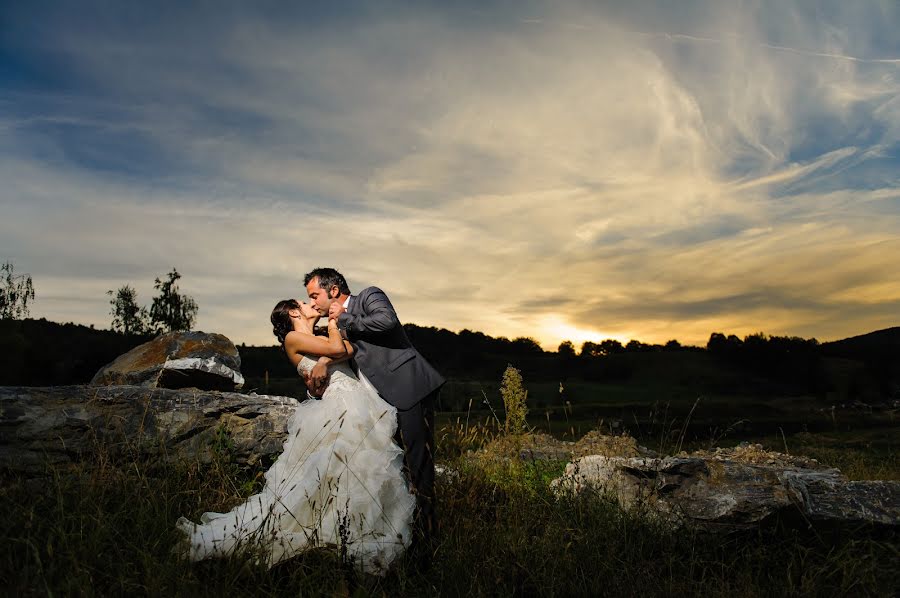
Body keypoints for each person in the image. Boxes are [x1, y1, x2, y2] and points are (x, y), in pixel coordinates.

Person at [176, 299, 416, 575]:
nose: (312, 303)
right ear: (293, 312)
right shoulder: (293, 338)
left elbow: (351, 349)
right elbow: (341, 347)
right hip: (341, 409)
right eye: (304, 302)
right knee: (335, 472)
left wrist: (325, 360)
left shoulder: (318, 337)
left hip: (359, 405)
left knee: (364, 473)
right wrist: (336, 324)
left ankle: (354, 532)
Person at [302, 267, 445, 567]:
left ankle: (431, 542)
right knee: (400, 471)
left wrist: (343, 317)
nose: (313, 302)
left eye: (315, 295)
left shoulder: (368, 297)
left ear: (335, 290)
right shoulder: (333, 323)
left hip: (408, 390)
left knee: (419, 467)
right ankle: (406, 538)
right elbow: (346, 348)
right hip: (379, 404)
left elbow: (387, 321)